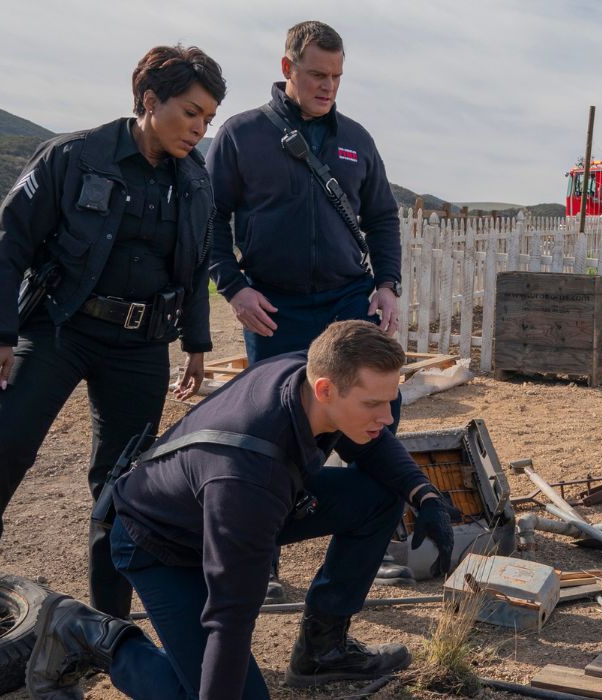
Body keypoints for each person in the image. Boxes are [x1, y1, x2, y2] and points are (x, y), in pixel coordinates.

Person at [0, 45, 226, 670]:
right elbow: (7, 244)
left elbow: (195, 270)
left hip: (141, 346)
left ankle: (106, 627)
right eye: (192, 112)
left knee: (122, 489)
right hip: (60, 329)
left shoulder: (196, 181)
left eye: (208, 118)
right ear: (149, 100)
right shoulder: (71, 155)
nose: (200, 128)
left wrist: (196, 345)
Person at [25, 320, 457, 698]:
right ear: (325, 388)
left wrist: (425, 495)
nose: (386, 417)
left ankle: (322, 651)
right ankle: (86, 633)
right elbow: (229, 619)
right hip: (160, 543)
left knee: (380, 494)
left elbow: (375, 443)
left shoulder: (306, 376)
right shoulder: (248, 478)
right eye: (372, 404)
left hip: (229, 507)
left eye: (390, 400)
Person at [207, 20, 411, 597]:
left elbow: (382, 218)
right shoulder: (241, 135)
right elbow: (210, 220)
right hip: (274, 306)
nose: (328, 87)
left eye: (337, 77)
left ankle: (382, 536)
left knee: (376, 418)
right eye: (318, 75)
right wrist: (234, 287)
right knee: (276, 430)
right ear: (287, 68)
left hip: (348, 302)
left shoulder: (357, 140)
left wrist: (388, 284)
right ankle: (262, 551)